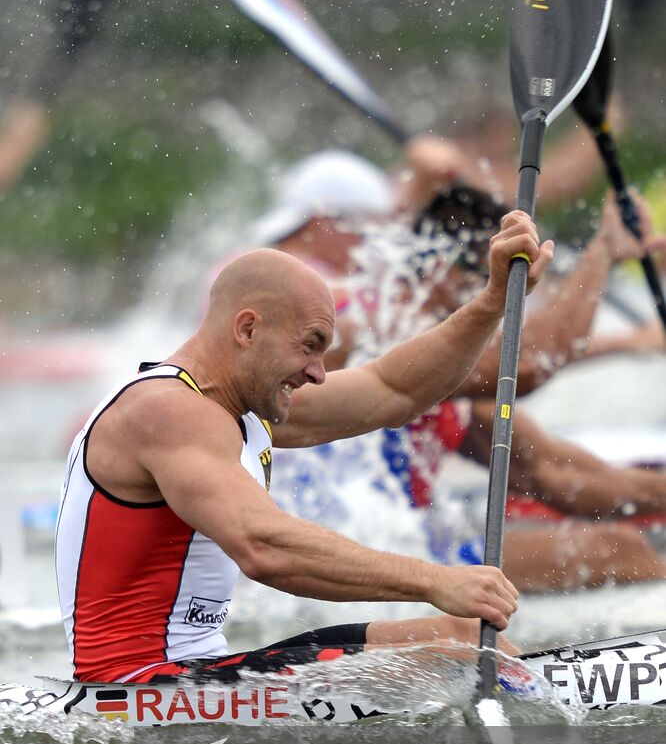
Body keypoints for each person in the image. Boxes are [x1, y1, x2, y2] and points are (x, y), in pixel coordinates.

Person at [55, 218, 552, 684]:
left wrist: (491, 302)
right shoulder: (168, 411)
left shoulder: (238, 408)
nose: (317, 371)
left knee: (466, 640)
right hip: (134, 688)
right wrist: (434, 580)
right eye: (310, 345)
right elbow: (262, 546)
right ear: (248, 329)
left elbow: (393, 390)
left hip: (195, 671)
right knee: (461, 656)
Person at [249, 149, 666, 591]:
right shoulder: (371, 325)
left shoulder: (450, 381)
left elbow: (556, 475)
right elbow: (528, 365)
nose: (493, 291)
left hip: (398, 541)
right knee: (619, 552)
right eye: (484, 273)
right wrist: (601, 254)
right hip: (308, 557)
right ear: (438, 267)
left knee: (620, 544)